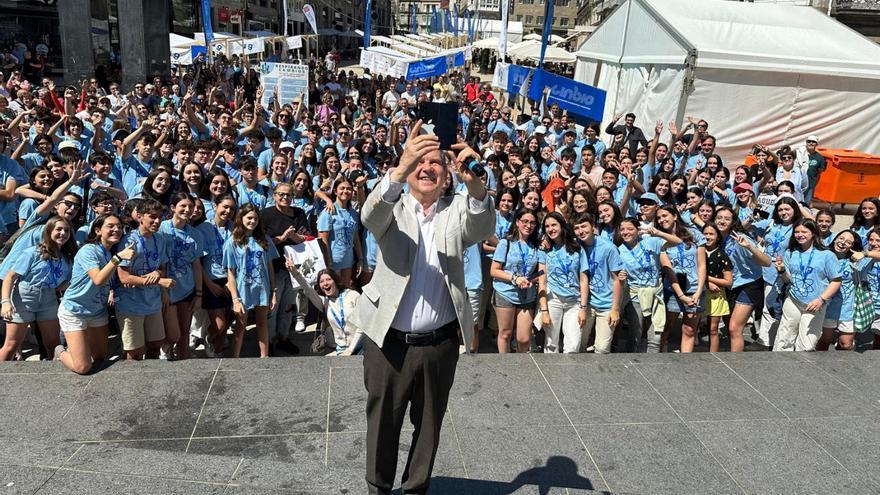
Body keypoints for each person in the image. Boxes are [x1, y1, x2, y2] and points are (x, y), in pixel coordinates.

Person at [349, 121, 494, 495]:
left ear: (447, 176)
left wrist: (475, 183)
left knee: (429, 425)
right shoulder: (391, 206)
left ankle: (415, 488)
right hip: (388, 342)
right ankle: (378, 488)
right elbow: (370, 216)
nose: (427, 168)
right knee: (382, 423)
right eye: (420, 162)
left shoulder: (455, 210)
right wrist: (400, 165)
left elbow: (479, 226)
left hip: (439, 343)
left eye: (436, 163)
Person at [55, 214, 135, 374]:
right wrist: (118, 258)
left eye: (119, 227)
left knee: (99, 357)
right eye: (111, 226)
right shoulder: (88, 250)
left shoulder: (109, 252)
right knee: (83, 367)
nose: (117, 229)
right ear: (98, 230)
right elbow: (98, 279)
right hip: (74, 310)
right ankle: (60, 351)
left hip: (97, 311)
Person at [0, 216, 75, 360]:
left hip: (49, 298)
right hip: (24, 297)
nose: (63, 233)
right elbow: (10, 277)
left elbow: (63, 282)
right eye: (58, 229)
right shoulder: (33, 252)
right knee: (12, 345)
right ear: (49, 231)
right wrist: (5, 302)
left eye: (66, 230)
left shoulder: (66, 257)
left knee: (54, 343)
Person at [773, 220, 841, 351]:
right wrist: (781, 270)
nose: (799, 235)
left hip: (815, 304)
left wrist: (821, 300)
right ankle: (779, 368)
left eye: (804, 231)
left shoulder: (827, 255)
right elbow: (788, 281)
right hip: (793, 300)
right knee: (784, 339)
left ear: (813, 233)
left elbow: (836, 280)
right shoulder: (790, 253)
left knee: (806, 345)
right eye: (797, 232)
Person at [261, 181, 309, 354]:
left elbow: (306, 237)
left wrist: (294, 236)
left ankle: (284, 337)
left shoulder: (299, 213)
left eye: (289, 195)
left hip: (294, 267)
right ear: (274, 195)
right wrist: (281, 238)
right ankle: (271, 341)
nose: (285, 198)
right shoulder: (265, 215)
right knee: (274, 306)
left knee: (289, 305)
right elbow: (261, 241)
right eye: (281, 194)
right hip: (274, 268)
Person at [224, 203, 278, 358]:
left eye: (255, 218)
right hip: (242, 290)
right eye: (249, 218)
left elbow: (270, 268)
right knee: (241, 326)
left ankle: (264, 356)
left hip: (262, 288)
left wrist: (273, 292)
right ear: (241, 219)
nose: (252, 221)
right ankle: (235, 358)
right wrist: (235, 299)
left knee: (262, 323)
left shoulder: (264, 240)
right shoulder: (232, 242)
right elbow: (231, 272)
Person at [490, 208, 545, 353]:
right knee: (505, 333)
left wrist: (533, 279)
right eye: (525, 221)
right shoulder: (505, 243)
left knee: (524, 338)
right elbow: (494, 270)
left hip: (527, 295)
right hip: (505, 292)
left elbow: (541, 271)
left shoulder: (537, 245)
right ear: (517, 222)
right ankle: (506, 366)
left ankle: (521, 369)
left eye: (532, 223)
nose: (528, 225)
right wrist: (515, 278)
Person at [571, 213, 623, 354]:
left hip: (606, 304)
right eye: (577, 228)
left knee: (602, 348)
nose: (581, 231)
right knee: (578, 343)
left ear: (593, 227)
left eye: (584, 226)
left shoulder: (608, 248)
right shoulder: (576, 246)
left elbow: (617, 280)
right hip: (586, 303)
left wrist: (615, 309)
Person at [537, 211, 588, 354]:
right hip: (553, 299)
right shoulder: (545, 249)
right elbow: (542, 281)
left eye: (554, 225)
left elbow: (584, 280)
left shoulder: (577, 247)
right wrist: (544, 311)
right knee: (551, 344)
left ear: (562, 226)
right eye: (547, 226)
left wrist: (583, 308)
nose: (551, 229)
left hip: (574, 301)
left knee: (573, 345)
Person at [702, 223, 733, 353]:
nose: (708, 237)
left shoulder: (722, 256)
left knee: (713, 328)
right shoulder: (697, 252)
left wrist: (707, 279)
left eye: (711, 234)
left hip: (716, 295)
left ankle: (713, 355)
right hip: (699, 292)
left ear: (718, 237)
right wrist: (706, 282)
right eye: (705, 234)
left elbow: (728, 281)